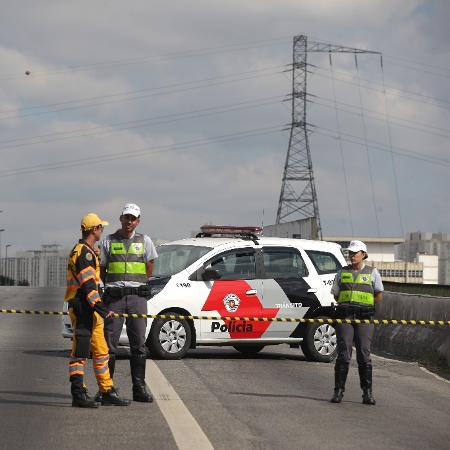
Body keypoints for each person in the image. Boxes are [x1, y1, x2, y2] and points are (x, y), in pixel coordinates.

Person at [65, 213, 130, 408]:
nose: (103, 230)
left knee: (101, 352)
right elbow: (87, 286)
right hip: (84, 308)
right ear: (94, 230)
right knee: (80, 353)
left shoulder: (88, 251)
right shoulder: (83, 253)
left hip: (90, 310)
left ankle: (107, 390)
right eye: (101, 227)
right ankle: (78, 394)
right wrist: (102, 308)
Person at [99, 203, 158, 403]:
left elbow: (150, 266)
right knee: (109, 344)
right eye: (126, 218)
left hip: (137, 298)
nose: (129, 222)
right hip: (114, 298)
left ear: (138, 221)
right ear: (121, 218)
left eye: (133, 219)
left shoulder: (145, 241)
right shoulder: (108, 241)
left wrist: (138, 285)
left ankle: (139, 388)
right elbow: (102, 270)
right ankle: (107, 389)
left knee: (139, 344)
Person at [330, 240, 383, 405]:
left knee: (364, 354)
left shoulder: (372, 272)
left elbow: (378, 294)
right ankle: (338, 392)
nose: (352, 256)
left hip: (364, 318)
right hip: (345, 317)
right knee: (344, 354)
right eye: (350, 253)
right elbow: (336, 294)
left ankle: (367, 393)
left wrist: (365, 307)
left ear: (363, 254)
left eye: (355, 253)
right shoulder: (341, 272)